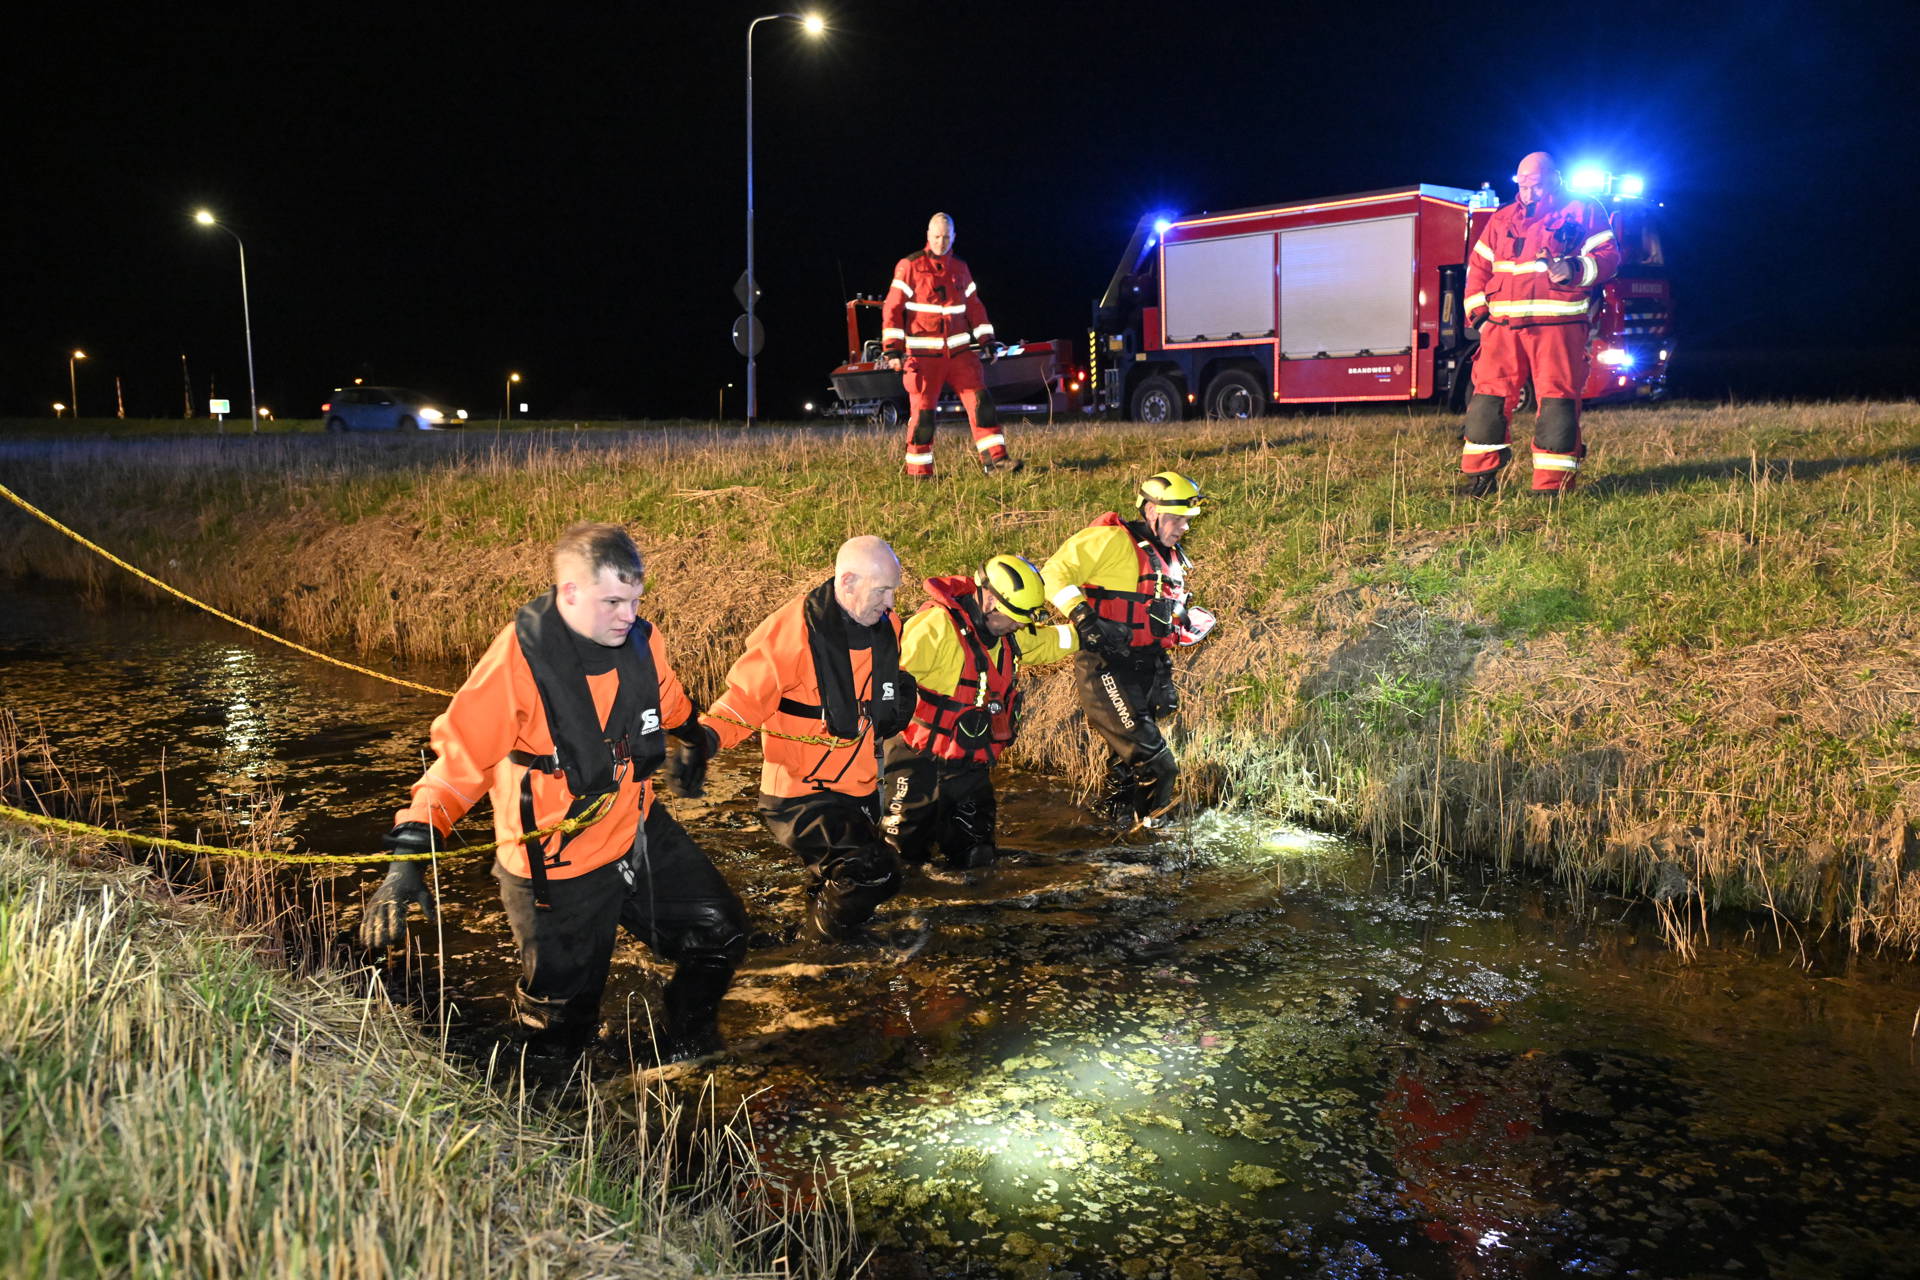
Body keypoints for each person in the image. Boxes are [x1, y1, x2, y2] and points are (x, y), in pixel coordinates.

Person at [359, 523, 746, 1062]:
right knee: (559, 1026)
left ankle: (683, 1046)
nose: (627, 615)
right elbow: (457, 765)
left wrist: (696, 738)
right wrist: (406, 860)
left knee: (720, 934)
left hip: (635, 828)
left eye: (635, 600)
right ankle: (548, 1115)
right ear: (569, 593)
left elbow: (666, 698)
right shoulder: (515, 664)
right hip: (555, 863)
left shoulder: (641, 638)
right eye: (613, 601)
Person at [671, 536, 914, 945]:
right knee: (875, 872)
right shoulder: (792, 634)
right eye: (882, 591)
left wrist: (905, 694)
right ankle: (809, 953)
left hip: (860, 786)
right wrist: (705, 739)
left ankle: (826, 946)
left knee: (843, 881)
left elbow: (884, 685)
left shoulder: (885, 624)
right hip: (800, 795)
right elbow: (745, 700)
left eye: (893, 590)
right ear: (848, 581)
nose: (890, 602)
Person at [882, 554, 1079, 877]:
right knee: (901, 859)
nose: (1018, 624)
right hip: (915, 760)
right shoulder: (935, 627)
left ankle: (972, 913)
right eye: (1014, 616)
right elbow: (883, 681)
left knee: (978, 857)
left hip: (968, 765)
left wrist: (1088, 634)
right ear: (989, 598)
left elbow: (1046, 641)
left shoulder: (1008, 630)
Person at [1041, 472, 1215, 828]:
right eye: (1177, 518)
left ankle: (1113, 835)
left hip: (1147, 667)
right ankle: (1148, 842)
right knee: (1158, 766)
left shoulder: (1168, 555)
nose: (1184, 527)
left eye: (1187, 520)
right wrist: (1083, 616)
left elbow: (1155, 608)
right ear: (1151, 510)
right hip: (1106, 666)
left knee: (1126, 768)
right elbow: (1052, 574)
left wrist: (1184, 625)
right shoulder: (1109, 540)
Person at [1459, 150, 1621, 496]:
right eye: (1524, 184)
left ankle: (1551, 488)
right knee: (1486, 400)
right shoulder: (1502, 218)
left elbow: (1609, 258)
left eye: (1537, 183)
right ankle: (1478, 480)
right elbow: (1477, 271)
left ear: (1555, 179)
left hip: (1558, 327)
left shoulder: (1583, 210)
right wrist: (1480, 317)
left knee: (1557, 403)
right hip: (1501, 328)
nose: (1529, 191)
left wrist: (1573, 269)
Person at [880, 211, 1022, 479]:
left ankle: (997, 461)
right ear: (927, 236)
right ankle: (919, 472)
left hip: (959, 355)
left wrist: (987, 340)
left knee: (983, 405)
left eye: (946, 237)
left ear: (954, 236)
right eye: (936, 237)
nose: (941, 242)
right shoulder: (909, 266)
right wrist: (892, 347)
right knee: (923, 418)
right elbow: (892, 308)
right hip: (923, 357)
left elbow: (974, 307)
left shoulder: (960, 267)